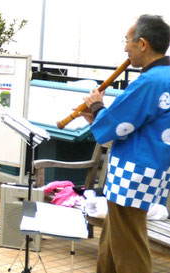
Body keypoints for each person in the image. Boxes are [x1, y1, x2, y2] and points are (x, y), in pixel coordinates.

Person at [79, 15, 170, 273]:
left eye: (127, 41)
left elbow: (118, 125)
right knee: (113, 238)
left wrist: (97, 106)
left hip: (134, 171)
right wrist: (98, 116)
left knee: (129, 245)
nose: (124, 48)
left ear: (142, 43)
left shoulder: (151, 80)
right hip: (151, 167)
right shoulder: (166, 76)